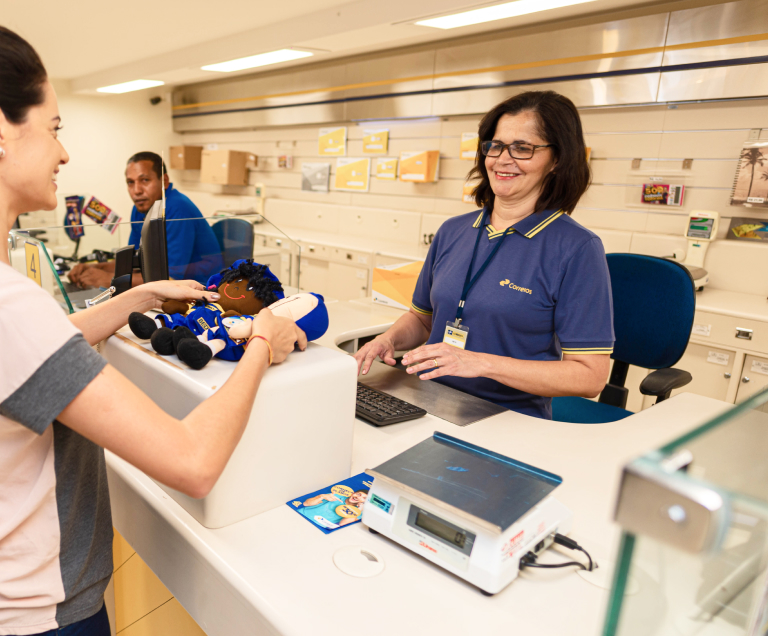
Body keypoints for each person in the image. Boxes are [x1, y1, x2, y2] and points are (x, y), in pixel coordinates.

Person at [0, 26, 306, 636]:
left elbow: (37, 351)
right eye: (55, 128)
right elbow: (192, 461)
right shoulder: (12, 307)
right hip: (41, 610)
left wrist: (137, 296)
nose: (63, 155)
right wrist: (263, 343)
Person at [355, 91, 614, 420]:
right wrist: (387, 340)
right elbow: (422, 318)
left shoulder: (576, 248)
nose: (502, 159)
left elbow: (590, 376)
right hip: (425, 399)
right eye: (495, 145)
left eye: (523, 148)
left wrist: (481, 363)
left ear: (557, 159)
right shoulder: (454, 230)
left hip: (507, 417)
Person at [68, 151, 223, 288]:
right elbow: (134, 263)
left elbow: (169, 278)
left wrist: (109, 279)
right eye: (130, 182)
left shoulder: (178, 208)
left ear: (164, 181)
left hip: (201, 290)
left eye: (145, 180)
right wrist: (96, 269)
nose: (137, 191)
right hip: (167, 287)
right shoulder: (140, 208)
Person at [299, 489, 369, 528]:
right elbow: (306, 503)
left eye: (364, 498)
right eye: (358, 494)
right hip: (302, 515)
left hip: (318, 527)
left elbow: (343, 524)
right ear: (352, 493)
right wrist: (322, 496)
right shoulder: (335, 496)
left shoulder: (359, 512)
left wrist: (358, 510)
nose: (358, 497)